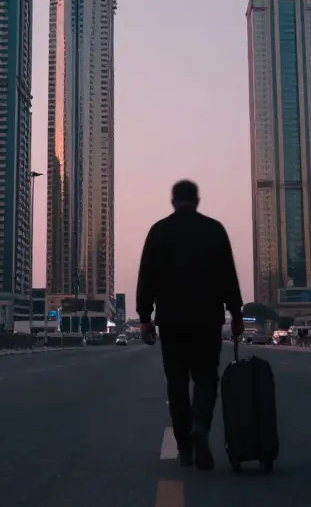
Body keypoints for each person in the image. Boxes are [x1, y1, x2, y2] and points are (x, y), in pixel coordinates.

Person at [137, 179, 244, 470]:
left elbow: (147, 277)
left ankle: (184, 446)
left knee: (177, 384)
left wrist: (145, 318)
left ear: (173, 202)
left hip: (171, 322)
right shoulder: (214, 230)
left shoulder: (159, 231)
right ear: (197, 201)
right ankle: (201, 426)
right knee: (207, 378)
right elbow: (228, 276)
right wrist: (236, 313)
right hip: (207, 320)